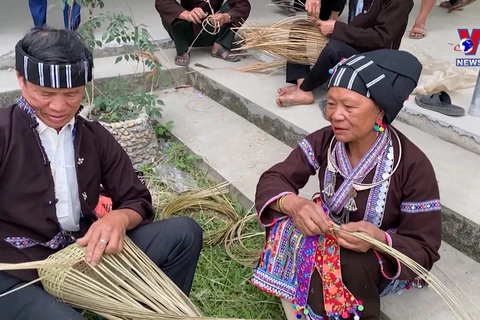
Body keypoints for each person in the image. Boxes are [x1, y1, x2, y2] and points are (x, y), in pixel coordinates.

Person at [0, 26, 203, 320]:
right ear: (21, 80)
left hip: (82, 254)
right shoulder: (4, 133)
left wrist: (118, 218)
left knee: (183, 234)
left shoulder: (93, 136)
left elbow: (137, 199)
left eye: (72, 94)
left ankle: (151, 313)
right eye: (45, 93)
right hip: (16, 269)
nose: (59, 107)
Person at [252, 49, 442, 320]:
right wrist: (294, 205)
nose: (335, 116)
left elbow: (424, 248)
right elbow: (274, 179)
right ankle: (303, 299)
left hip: (378, 258)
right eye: (330, 104)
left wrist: (379, 239)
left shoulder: (412, 165)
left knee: (347, 261)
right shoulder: (326, 141)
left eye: (349, 106)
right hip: (330, 234)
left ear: (379, 109)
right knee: (285, 222)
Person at [276, 0, 414, 107]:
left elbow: (381, 39)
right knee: (299, 28)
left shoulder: (400, 2)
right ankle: (302, 84)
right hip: (352, 37)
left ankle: (305, 89)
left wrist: (337, 28)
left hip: (375, 56)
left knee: (334, 49)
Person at [155, 0, 251, 66]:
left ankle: (220, 46)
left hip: (215, 29)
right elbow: (161, 2)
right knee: (169, 12)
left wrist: (226, 17)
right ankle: (182, 50)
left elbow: (243, 4)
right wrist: (186, 14)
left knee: (238, 8)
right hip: (188, 31)